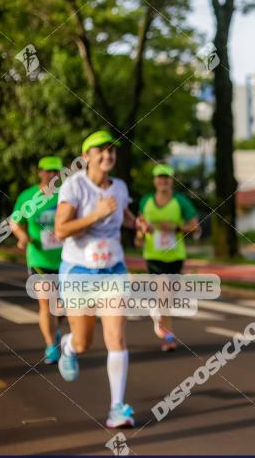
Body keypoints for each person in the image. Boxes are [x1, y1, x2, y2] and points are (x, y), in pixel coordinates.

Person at [54, 130, 149, 428]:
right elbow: (60, 230)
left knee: (116, 338)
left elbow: (123, 211)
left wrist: (138, 223)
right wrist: (95, 214)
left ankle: (116, 408)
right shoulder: (74, 187)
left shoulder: (119, 187)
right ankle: (69, 347)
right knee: (84, 342)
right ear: (86, 158)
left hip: (113, 270)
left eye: (111, 151)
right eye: (101, 151)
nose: (107, 156)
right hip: (79, 272)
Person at [135, 164, 199, 352]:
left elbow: (196, 227)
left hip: (176, 255)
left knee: (168, 298)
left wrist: (176, 228)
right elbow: (140, 226)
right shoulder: (146, 201)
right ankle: (168, 338)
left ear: (172, 181)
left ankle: (159, 318)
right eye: (160, 177)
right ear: (155, 180)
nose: (163, 181)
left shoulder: (180, 201)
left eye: (167, 178)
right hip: (154, 256)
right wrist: (139, 236)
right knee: (163, 293)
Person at [11, 156, 66, 363]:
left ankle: (56, 328)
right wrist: (22, 236)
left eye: (56, 172)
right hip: (38, 258)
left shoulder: (65, 194)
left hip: (65, 259)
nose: (52, 175)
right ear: (40, 172)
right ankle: (51, 345)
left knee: (61, 306)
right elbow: (15, 221)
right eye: (48, 171)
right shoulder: (28, 196)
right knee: (45, 302)